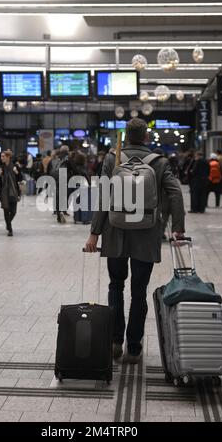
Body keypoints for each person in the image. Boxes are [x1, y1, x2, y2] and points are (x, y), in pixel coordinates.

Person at [84, 118, 185, 364]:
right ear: (146, 138)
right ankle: (134, 346)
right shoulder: (159, 162)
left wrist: (94, 232)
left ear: (126, 136)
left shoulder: (112, 159)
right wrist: (178, 228)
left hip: (115, 231)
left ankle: (115, 341)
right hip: (147, 233)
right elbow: (176, 192)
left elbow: (103, 197)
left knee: (115, 286)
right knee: (139, 292)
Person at [0, 150, 22, 236]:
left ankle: (8, 223)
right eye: (1, 156)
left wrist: (17, 173)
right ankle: (10, 229)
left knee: (13, 212)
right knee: (6, 210)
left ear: (8, 157)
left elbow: (20, 178)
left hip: (13, 191)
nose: (1, 158)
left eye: (3, 156)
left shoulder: (15, 166)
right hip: (3, 192)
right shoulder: (0, 167)